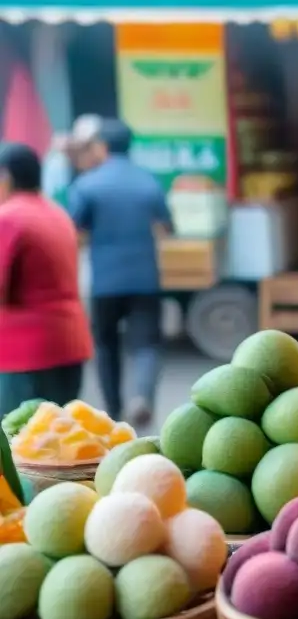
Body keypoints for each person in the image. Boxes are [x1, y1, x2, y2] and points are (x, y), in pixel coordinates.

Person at [68, 117, 172, 428]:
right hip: (145, 277)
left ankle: (114, 410)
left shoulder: (86, 185)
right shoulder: (148, 181)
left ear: (101, 146)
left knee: (106, 345)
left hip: (104, 281)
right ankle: (142, 396)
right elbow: (166, 227)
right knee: (147, 344)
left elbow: (73, 232)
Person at [0, 143, 92, 415]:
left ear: (6, 177)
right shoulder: (57, 213)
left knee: (19, 448)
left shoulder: (9, 217)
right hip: (69, 345)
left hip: (26, 354)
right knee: (56, 445)